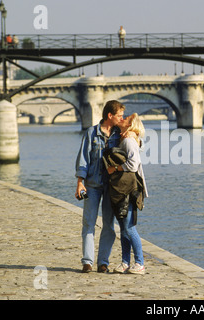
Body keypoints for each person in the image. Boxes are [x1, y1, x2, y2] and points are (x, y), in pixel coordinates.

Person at [75, 100, 125, 273]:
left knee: (108, 225)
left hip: (112, 186)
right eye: (119, 115)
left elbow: (134, 146)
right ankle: (87, 262)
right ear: (109, 116)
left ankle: (103, 262)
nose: (122, 118)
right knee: (89, 223)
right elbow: (83, 159)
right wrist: (80, 182)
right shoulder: (91, 133)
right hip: (92, 185)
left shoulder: (120, 134)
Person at [106, 113, 148, 275]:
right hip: (122, 188)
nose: (122, 119)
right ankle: (125, 262)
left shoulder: (129, 140)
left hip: (129, 189)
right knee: (124, 228)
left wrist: (114, 169)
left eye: (126, 118)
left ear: (131, 125)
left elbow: (133, 164)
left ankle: (139, 263)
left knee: (129, 228)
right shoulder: (124, 137)